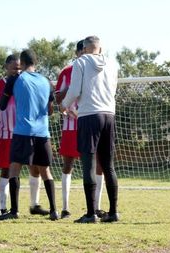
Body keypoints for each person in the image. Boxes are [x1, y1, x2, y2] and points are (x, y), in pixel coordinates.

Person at [62, 36, 119, 223]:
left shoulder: (81, 62)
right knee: (108, 165)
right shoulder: (112, 63)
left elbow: (75, 89)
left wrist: (64, 105)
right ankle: (113, 212)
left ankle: (90, 213)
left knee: (89, 164)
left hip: (89, 115)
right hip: (109, 114)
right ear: (100, 48)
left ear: (85, 49)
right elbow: (113, 89)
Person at [0, 49, 59, 221]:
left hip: (22, 131)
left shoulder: (15, 79)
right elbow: (51, 110)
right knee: (45, 170)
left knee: (14, 167)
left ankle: (14, 210)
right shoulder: (46, 81)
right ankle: (54, 210)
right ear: (35, 63)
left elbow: (2, 105)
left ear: (22, 64)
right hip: (42, 132)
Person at [55, 40, 106, 219]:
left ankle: (96, 207)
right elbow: (58, 98)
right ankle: (66, 207)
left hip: (92, 122)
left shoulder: (102, 68)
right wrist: (69, 92)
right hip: (71, 127)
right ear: (78, 53)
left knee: (98, 164)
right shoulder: (67, 71)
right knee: (68, 165)